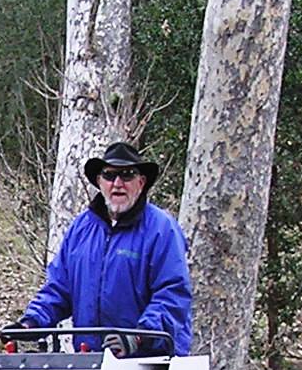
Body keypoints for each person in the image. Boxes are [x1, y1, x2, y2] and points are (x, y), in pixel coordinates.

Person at [17, 142, 193, 354]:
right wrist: (29, 324)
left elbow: (172, 295)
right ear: (100, 182)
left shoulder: (162, 229)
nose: (117, 183)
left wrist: (139, 337)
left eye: (127, 175)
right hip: (90, 361)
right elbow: (58, 289)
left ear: (141, 181)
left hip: (151, 364)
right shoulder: (80, 229)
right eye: (109, 175)